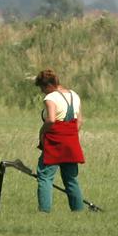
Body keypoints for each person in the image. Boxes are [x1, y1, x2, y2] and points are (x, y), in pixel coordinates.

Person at [34, 69, 85, 212]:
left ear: (48, 86)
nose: (43, 92)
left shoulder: (51, 98)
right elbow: (79, 121)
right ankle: (78, 211)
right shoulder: (74, 95)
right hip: (71, 141)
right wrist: (70, 135)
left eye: (42, 88)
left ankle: (44, 211)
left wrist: (41, 133)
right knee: (71, 179)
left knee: (45, 176)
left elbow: (51, 119)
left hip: (55, 142)